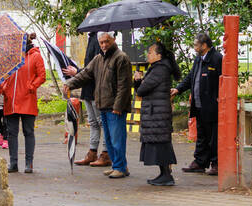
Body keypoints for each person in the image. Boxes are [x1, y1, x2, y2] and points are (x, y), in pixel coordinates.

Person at [63, 31, 133, 179]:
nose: (104, 45)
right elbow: (85, 74)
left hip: (115, 107)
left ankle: (120, 167)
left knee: (117, 139)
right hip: (103, 104)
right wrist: (70, 84)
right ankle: (117, 165)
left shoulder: (121, 58)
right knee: (109, 139)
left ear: (113, 39)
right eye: (101, 42)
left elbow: (124, 86)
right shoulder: (98, 58)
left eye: (107, 41)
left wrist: (118, 107)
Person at [171, 32, 223, 175]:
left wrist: (219, 98)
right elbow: (190, 77)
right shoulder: (198, 59)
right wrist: (178, 89)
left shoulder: (217, 59)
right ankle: (200, 162)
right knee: (202, 136)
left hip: (212, 106)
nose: (194, 48)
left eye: (196, 45)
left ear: (204, 45)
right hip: (199, 104)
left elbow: (223, 80)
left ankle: (216, 163)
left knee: (213, 137)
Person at [134, 41, 180, 186]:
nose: (148, 55)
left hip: (157, 113)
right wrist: (139, 81)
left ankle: (166, 176)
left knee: (161, 144)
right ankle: (164, 174)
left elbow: (142, 90)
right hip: (156, 112)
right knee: (160, 143)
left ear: (158, 55)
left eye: (150, 52)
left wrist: (138, 80)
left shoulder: (159, 69)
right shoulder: (157, 68)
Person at [62, 29, 109, 167]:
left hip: (96, 89)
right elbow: (90, 67)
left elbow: (95, 69)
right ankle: (92, 152)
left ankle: (106, 153)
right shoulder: (92, 39)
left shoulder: (99, 40)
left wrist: (77, 72)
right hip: (88, 89)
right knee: (93, 122)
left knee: (101, 122)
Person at [1, 33, 46, 173]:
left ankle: (29, 163)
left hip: (27, 99)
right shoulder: (10, 58)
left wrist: (31, 86)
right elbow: (3, 75)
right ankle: (13, 163)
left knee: (28, 131)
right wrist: (4, 88)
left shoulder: (35, 55)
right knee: (11, 133)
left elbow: (42, 75)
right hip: (12, 100)